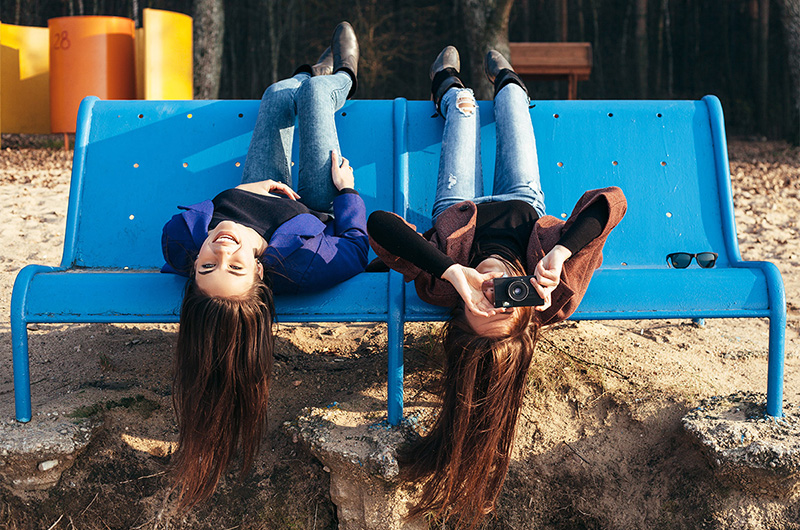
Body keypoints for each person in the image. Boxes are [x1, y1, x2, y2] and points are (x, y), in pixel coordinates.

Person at [367, 47, 627, 527]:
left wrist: (452, 272)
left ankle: (446, 83)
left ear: (461, 312)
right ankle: (507, 77)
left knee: (465, 109)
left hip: (458, 200)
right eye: (507, 303)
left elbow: (380, 225)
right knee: (510, 104)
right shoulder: (554, 295)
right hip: (524, 197)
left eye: (480, 305)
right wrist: (561, 252)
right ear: (526, 310)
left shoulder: (445, 288)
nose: (494, 290)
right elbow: (611, 201)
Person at [160, 22, 368, 508]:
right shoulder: (302, 264)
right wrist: (347, 192)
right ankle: (344, 76)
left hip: (255, 187)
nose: (221, 251)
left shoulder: (182, 243)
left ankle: (308, 74)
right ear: (258, 273)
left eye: (207, 267)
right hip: (310, 201)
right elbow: (357, 247)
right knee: (314, 97)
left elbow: (190, 225)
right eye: (234, 268)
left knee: (276, 94)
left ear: (192, 269)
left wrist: (241, 191)